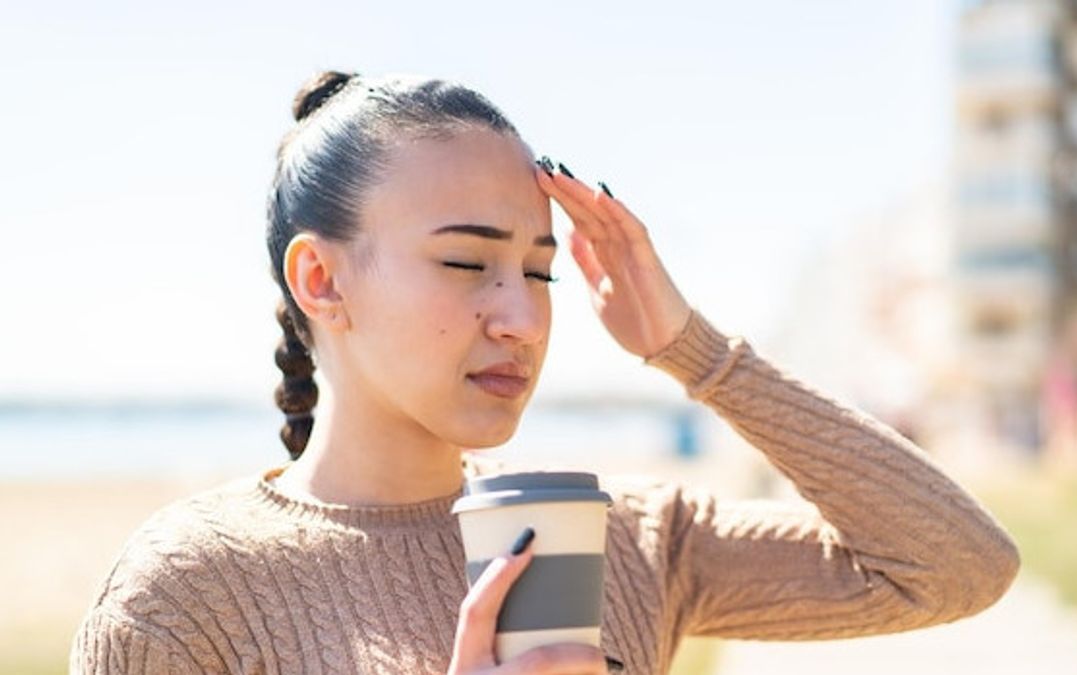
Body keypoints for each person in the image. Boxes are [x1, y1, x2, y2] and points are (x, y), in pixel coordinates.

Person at [69, 71, 1021, 675]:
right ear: (322, 278)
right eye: (464, 261)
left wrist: (694, 350)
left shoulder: (626, 540)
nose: (523, 316)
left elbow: (955, 568)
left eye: (538, 267)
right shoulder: (185, 597)